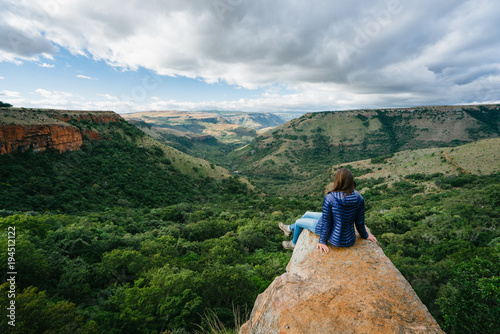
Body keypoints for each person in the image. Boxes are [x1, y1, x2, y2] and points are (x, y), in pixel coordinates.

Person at [279, 168, 377, 253]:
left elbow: (326, 222)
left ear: (337, 181)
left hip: (330, 232)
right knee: (307, 213)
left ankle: (293, 243)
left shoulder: (330, 197)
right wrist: (365, 235)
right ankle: (289, 229)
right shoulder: (359, 197)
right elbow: (359, 221)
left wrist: (322, 241)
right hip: (347, 235)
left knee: (298, 222)